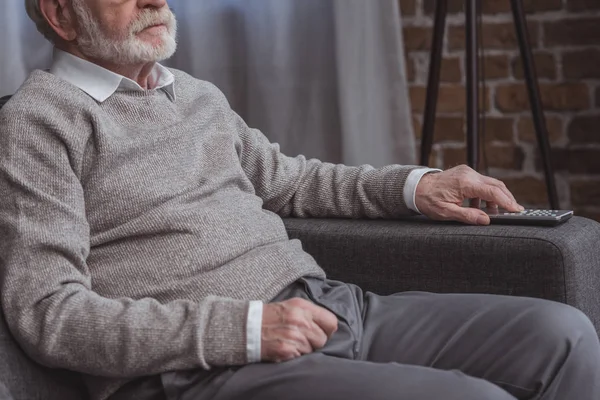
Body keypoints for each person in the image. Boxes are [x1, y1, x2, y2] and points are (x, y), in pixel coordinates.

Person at [1, 0, 599, 399]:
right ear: (61, 12)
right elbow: (50, 315)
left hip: (328, 306)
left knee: (562, 335)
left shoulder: (195, 96)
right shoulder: (38, 122)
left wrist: (416, 186)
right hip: (205, 370)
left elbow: (291, 180)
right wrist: (246, 329)